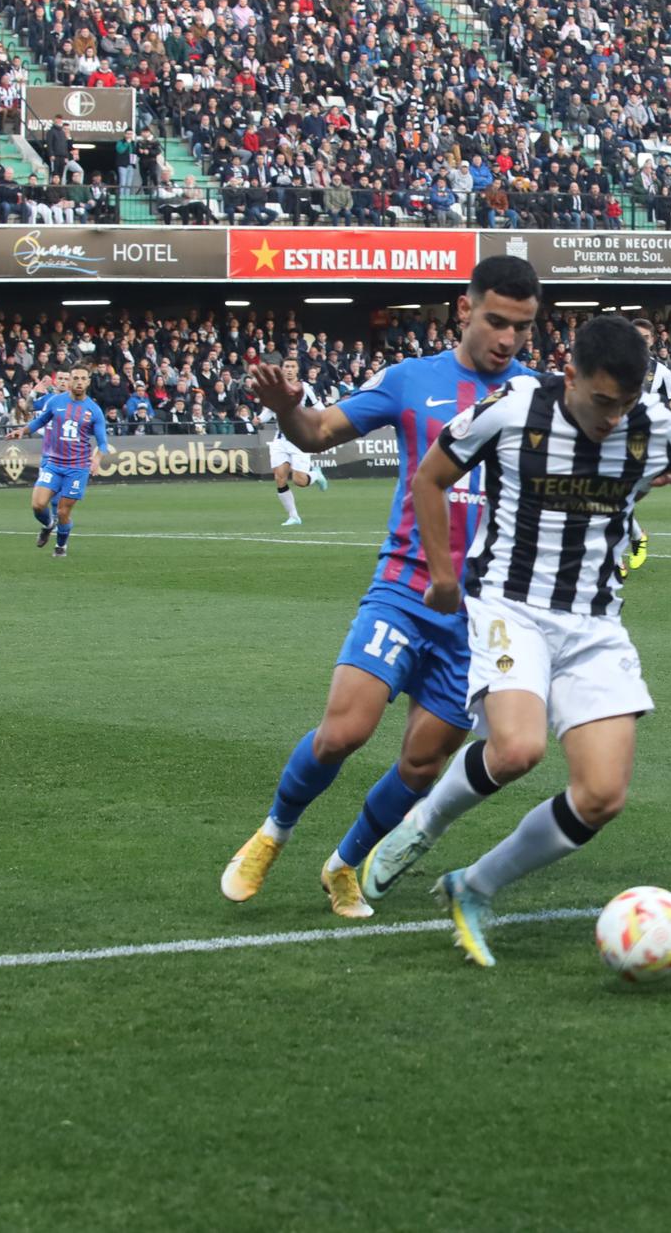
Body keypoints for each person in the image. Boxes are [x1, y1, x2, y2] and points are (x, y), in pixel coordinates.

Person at [359, 316, 671, 968]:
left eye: (625, 403)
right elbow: (429, 478)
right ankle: (423, 825)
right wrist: (444, 577)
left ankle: (472, 887)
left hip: (594, 623)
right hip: (511, 605)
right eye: (601, 401)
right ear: (571, 373)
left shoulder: (652, 422)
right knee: (519, 747)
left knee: (602, 795)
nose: (613, 418)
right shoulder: (510, 411)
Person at [220, 256, 542, 920]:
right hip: (404, 584)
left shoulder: (539, 396)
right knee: (343, 731)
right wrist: (287, 410)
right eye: (496, 321)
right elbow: (316, 432)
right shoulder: (410, 380)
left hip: (483, 615)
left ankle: (344, 863)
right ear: (464, 309)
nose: (507, 339)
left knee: (422, 765)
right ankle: (272, 832)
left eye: (522, 326)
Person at [621, 319, 671, 577]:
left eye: (646, 337)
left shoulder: (661, 372)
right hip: (614, 438)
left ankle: (630, 543)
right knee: (611, 496)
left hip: (644, 443)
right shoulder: (614, 365)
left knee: (616, 497)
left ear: (652, 340)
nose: (642, 341)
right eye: (637, 336)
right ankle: (630, 543)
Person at [25, 364, 109, 559]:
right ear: (68, 380)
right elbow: (37, 418)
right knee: (38, 505)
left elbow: (103, 443)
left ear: (88, 382)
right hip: (52, 460)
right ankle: (48, 525)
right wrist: (23, 430)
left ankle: (61, 545)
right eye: (75, 378)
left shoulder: (94, 410)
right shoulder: (54, 401)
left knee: (62, 510)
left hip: (77, 467)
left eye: (83, 378)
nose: (78, 382)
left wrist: (96, 459)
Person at [256, 357, 329, 525]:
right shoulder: (275, 390)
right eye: (286, 366)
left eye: (292, 366)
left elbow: (320, 409)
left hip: (300, 439)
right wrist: (259, 418)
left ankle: (315, 475)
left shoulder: (304, 388)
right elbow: (268, 411)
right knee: (279, 477)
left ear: (297, 370)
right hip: (280, 439)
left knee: (299, 480)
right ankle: (293, 515)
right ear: (282, 369)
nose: (289, 369)